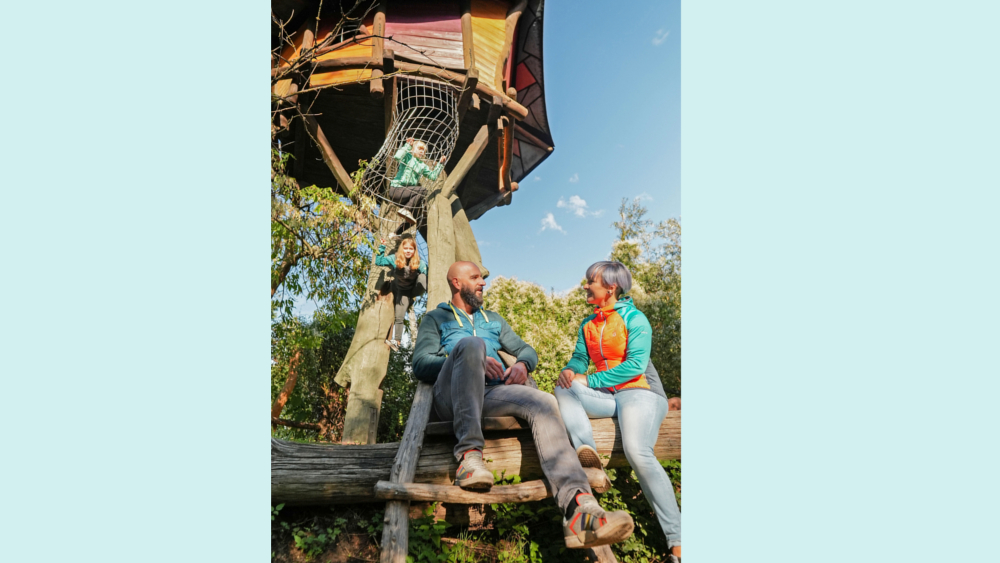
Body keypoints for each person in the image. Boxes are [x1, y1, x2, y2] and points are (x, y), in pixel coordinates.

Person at [412, 261, 635, 549]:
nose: (483, 283)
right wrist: (471, 357)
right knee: (471, 345)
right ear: (456, 283)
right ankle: (469, 458)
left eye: (483, 278)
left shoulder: (492, 319)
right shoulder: (435, 319)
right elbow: (421, 363)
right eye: (476, 277)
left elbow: (527, 350)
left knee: (544, 401)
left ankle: (580, 510)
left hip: (491, 397)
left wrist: (522, 364)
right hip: (451, 398)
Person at [554, 261, 682, 562]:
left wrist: (591, 380)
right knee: (564, 388)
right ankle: (590, 458)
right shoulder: (588, 324)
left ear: (610, 288)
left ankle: (679, 543)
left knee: (637, 450)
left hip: (640, 393)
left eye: (590, 281)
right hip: (608, 397)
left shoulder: (635, 319)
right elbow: (578, 360)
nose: (585, 285)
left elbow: (635, 366)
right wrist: (570, 372)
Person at [374, 236, 427, 350]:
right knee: (399, 317)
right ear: (402, 249)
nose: (408, 251)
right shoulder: (395, 259)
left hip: (414, 289)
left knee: (423, 276)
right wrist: (382, 246)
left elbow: (426, 274)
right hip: (402, 292)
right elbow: (379, 261)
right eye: (406, 248)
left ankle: (423, 292)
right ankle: (397, 342)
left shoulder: (419, 262)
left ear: (414, 250)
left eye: (411, 249)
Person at [386, 138, 445, 237]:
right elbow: (397, 156)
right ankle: (405, 210)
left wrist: (440, 164)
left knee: (416, 217)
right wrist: (407, 145)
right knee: (422, 190)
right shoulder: (407, 156)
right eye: (419, 149)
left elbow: (433, 176)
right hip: (396, 190)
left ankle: (395, 234)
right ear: (413, 149)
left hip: (406, 196)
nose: (422, 151)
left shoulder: (422, 165)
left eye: (424, 150)